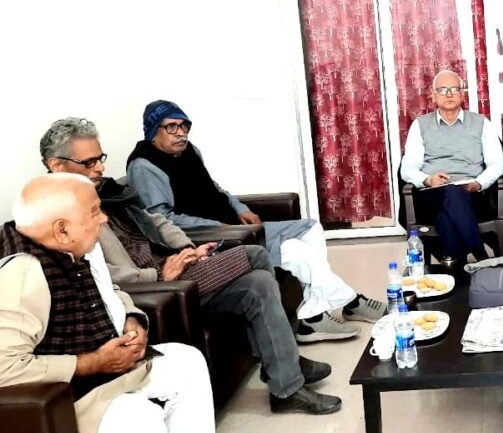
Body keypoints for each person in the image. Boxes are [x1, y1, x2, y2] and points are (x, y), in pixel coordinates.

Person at [41, 118, 343, 414]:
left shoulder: (107, 191)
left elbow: (157, 220)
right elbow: (96, 274)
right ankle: (286, 361)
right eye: (89, 162)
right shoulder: (59, 217)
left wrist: (187, 249)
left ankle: (285, 382)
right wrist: (159, 274)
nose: (100, 168)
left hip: (173, 269)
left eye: (100, 158)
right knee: (256, 255)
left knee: (259, 284)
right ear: (57, 165)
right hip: (158, 287)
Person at [125, 101, 384, 343]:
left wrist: (240, 208)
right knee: (296, 250)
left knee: (311, 228)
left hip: (236, 226)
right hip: (214, 237)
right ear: (152, 131)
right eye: (171, 127)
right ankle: (350, 301)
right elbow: (162, 220)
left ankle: (312, 314)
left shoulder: (189, 151)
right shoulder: (144, 166)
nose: (181, 133)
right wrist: (219, 227)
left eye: (184, 126)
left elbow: (214, 189)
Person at [0, 174, 214, 433]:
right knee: (139, 417)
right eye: (94, 212)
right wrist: (93, 363)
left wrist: (132, 320)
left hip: (110, 373)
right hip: (75, 395)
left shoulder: (72, 248)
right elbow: (4, 368)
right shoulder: (22, 273)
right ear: (62, 230)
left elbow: (110, 291)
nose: (103, 219)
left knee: (187, 361)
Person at [399, 69, 503, 264]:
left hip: (472, 194)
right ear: (433, 95)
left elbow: (497, 164)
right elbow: (407, 169)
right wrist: (428, 179)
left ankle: (455, 266)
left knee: (446, 217)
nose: (449, 94)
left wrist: (479, 183)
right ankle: (480, 253)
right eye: (442, 90)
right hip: (432, 194)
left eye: (454, 89)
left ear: (462, 94)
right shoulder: (420, 125)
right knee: (450, 193)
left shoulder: (481, 123)